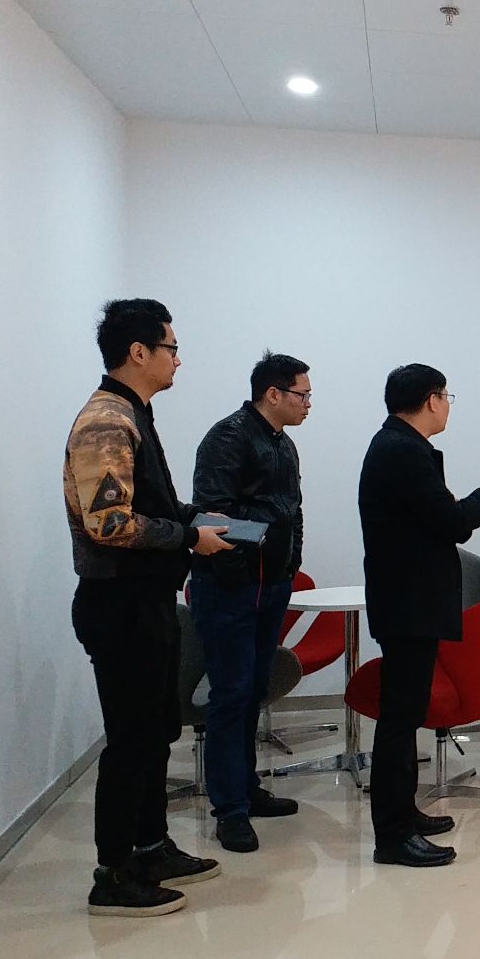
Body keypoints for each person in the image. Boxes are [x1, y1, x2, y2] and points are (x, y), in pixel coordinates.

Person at [63, 298, 232, 917]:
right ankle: (112, 874)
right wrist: (188, 537)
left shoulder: (135, 413)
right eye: (171, 347)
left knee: (157, 731)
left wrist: (195, 519)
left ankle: (151, 847)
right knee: (131, 740)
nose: (178, 359)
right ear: (139, 352)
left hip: (147, 599)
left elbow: (148, 505)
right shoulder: (107, 421)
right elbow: (109, 523)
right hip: (120, 604)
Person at [358, 364, 480, 868]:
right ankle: (392, 835)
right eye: (446, 397)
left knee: (408, 712)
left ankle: (404, 812)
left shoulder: (400, 445)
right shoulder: (402, 450)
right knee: (400, 719)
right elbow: (452, 522)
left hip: (408, 600)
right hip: (408, 603)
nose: (447, 407)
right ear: (431, 400)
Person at [189, 351, 311, 854]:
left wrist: (287, 564)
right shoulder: (228, 438)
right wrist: (245, 571)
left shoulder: (284, 444)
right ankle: (229, 809)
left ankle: (246, 787)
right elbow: (212, 515)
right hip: (231, 588)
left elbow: (291, 510)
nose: (308, 404)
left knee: (254, 688)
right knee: (231, 692)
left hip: (271, 584)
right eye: (302, 394)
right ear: (273, 394)